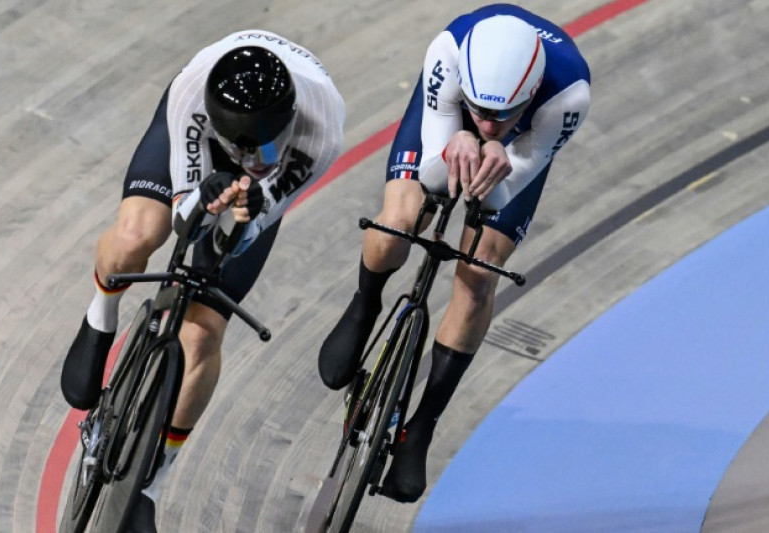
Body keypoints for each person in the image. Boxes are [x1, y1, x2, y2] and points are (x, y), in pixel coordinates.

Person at [59, 30, 344, 531]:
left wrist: (249, 206)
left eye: (268, 145)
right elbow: (183, 223)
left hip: (263, 183)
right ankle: (99, 317)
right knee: (135, 236)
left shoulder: (319, 134)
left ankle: (152, 482)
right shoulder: (193, 96)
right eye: (250, 149)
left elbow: (239, 237)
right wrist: (201, 195)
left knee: (204, 328)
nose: (259, 158)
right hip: (196, 135)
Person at [318, 4, 591, 503]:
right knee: (400, 219)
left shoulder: (566, 97)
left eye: (500, 115)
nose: (489, 125)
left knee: (479, 270)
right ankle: (365, 303)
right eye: (480, 111)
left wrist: (498, 153)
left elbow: (502, 191)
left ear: (528, 97)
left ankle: (422, 426)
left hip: (524, 148)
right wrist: (458, 137)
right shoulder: (447, 55)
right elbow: (430, 178)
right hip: (445, 118)